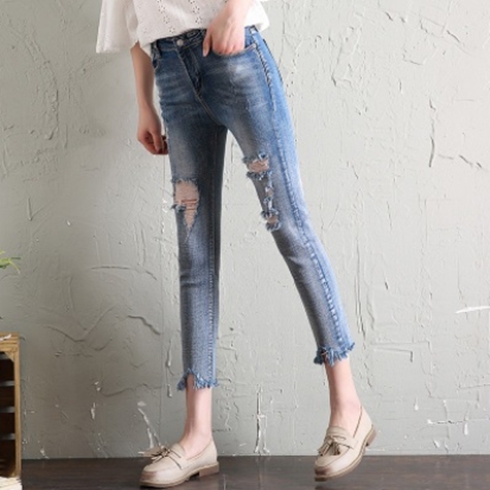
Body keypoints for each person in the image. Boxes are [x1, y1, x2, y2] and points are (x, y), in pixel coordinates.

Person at [96, 0, 376, 487]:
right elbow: (131, 16)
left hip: (235, 56)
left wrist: (234, 10)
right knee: (194, 252)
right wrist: (143, 103)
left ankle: (349, 408)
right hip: (170, 74)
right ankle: (198, 436)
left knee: (289, 225)